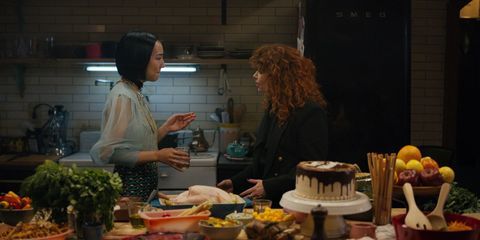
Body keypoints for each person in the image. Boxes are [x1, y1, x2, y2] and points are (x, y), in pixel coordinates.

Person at [217, 44, 328, 206]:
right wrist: (235, 182)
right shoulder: (274, 109)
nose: (255, 76)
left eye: (261, 71)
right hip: (270, 203)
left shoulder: (310, 112)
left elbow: (312, 166)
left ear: (278, 76)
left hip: (293, 203)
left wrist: (270, 186)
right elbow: (262, 162)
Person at [90, 31, 196, 200]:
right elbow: (106, 152)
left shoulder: (134, 92)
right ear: (139, 59)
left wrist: (165, 128)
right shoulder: (123, 96)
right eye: (158, 58)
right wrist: (158, 155)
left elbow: (134, 145)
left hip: (142, 194)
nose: (163, 64)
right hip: (129, 196)